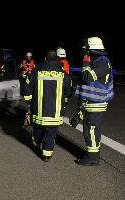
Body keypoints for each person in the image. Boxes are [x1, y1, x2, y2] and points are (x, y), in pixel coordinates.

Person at [71, 37, 114, 166]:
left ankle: (92, 158)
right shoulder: (98, 61)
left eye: (86, 51)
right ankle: (93, 155)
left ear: (91, 49)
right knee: (91, 130)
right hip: (92, 102)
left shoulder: (102, 62)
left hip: (97, 103)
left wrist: (85, 63)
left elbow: (87, 77)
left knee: (91, 130)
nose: (85, 53)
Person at [28, 50, 71, 162]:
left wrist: (29, 103)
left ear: (45, 59)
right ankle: (47, 156)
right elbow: (68, 92)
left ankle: (37, 143)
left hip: (39, 111)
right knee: (50, 135)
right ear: (57, 60)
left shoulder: (36, 71)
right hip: (55, 112)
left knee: (38, 131)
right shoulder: (63, 74)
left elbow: (27, 90)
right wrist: (63, 104)